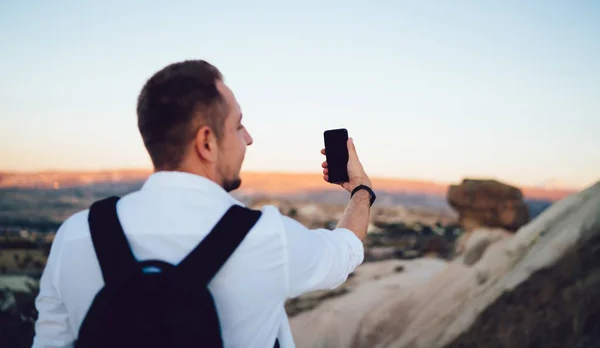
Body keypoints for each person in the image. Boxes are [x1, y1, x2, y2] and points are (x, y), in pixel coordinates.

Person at [32, 60, 376, 348]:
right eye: (239, 125)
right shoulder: (268, 238)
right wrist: (360, 189)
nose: (249, 138)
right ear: (206, 143)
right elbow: (344, 249)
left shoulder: (75, 237)